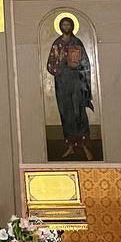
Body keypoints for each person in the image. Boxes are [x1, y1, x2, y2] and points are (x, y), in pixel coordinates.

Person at [47, 16, 95, 160]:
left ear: (72, 26)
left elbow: (85, 63)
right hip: (62, 83)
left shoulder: (77, 42)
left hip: (76, 82)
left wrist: (83, 79)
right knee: (66, 113)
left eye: (68, 25)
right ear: (61, 27)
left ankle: (84, 146)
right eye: (64, 25)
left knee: (79, 112)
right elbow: (50, 64)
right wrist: (60, 68)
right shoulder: (57, 44)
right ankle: (70, 146)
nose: (66, 27)